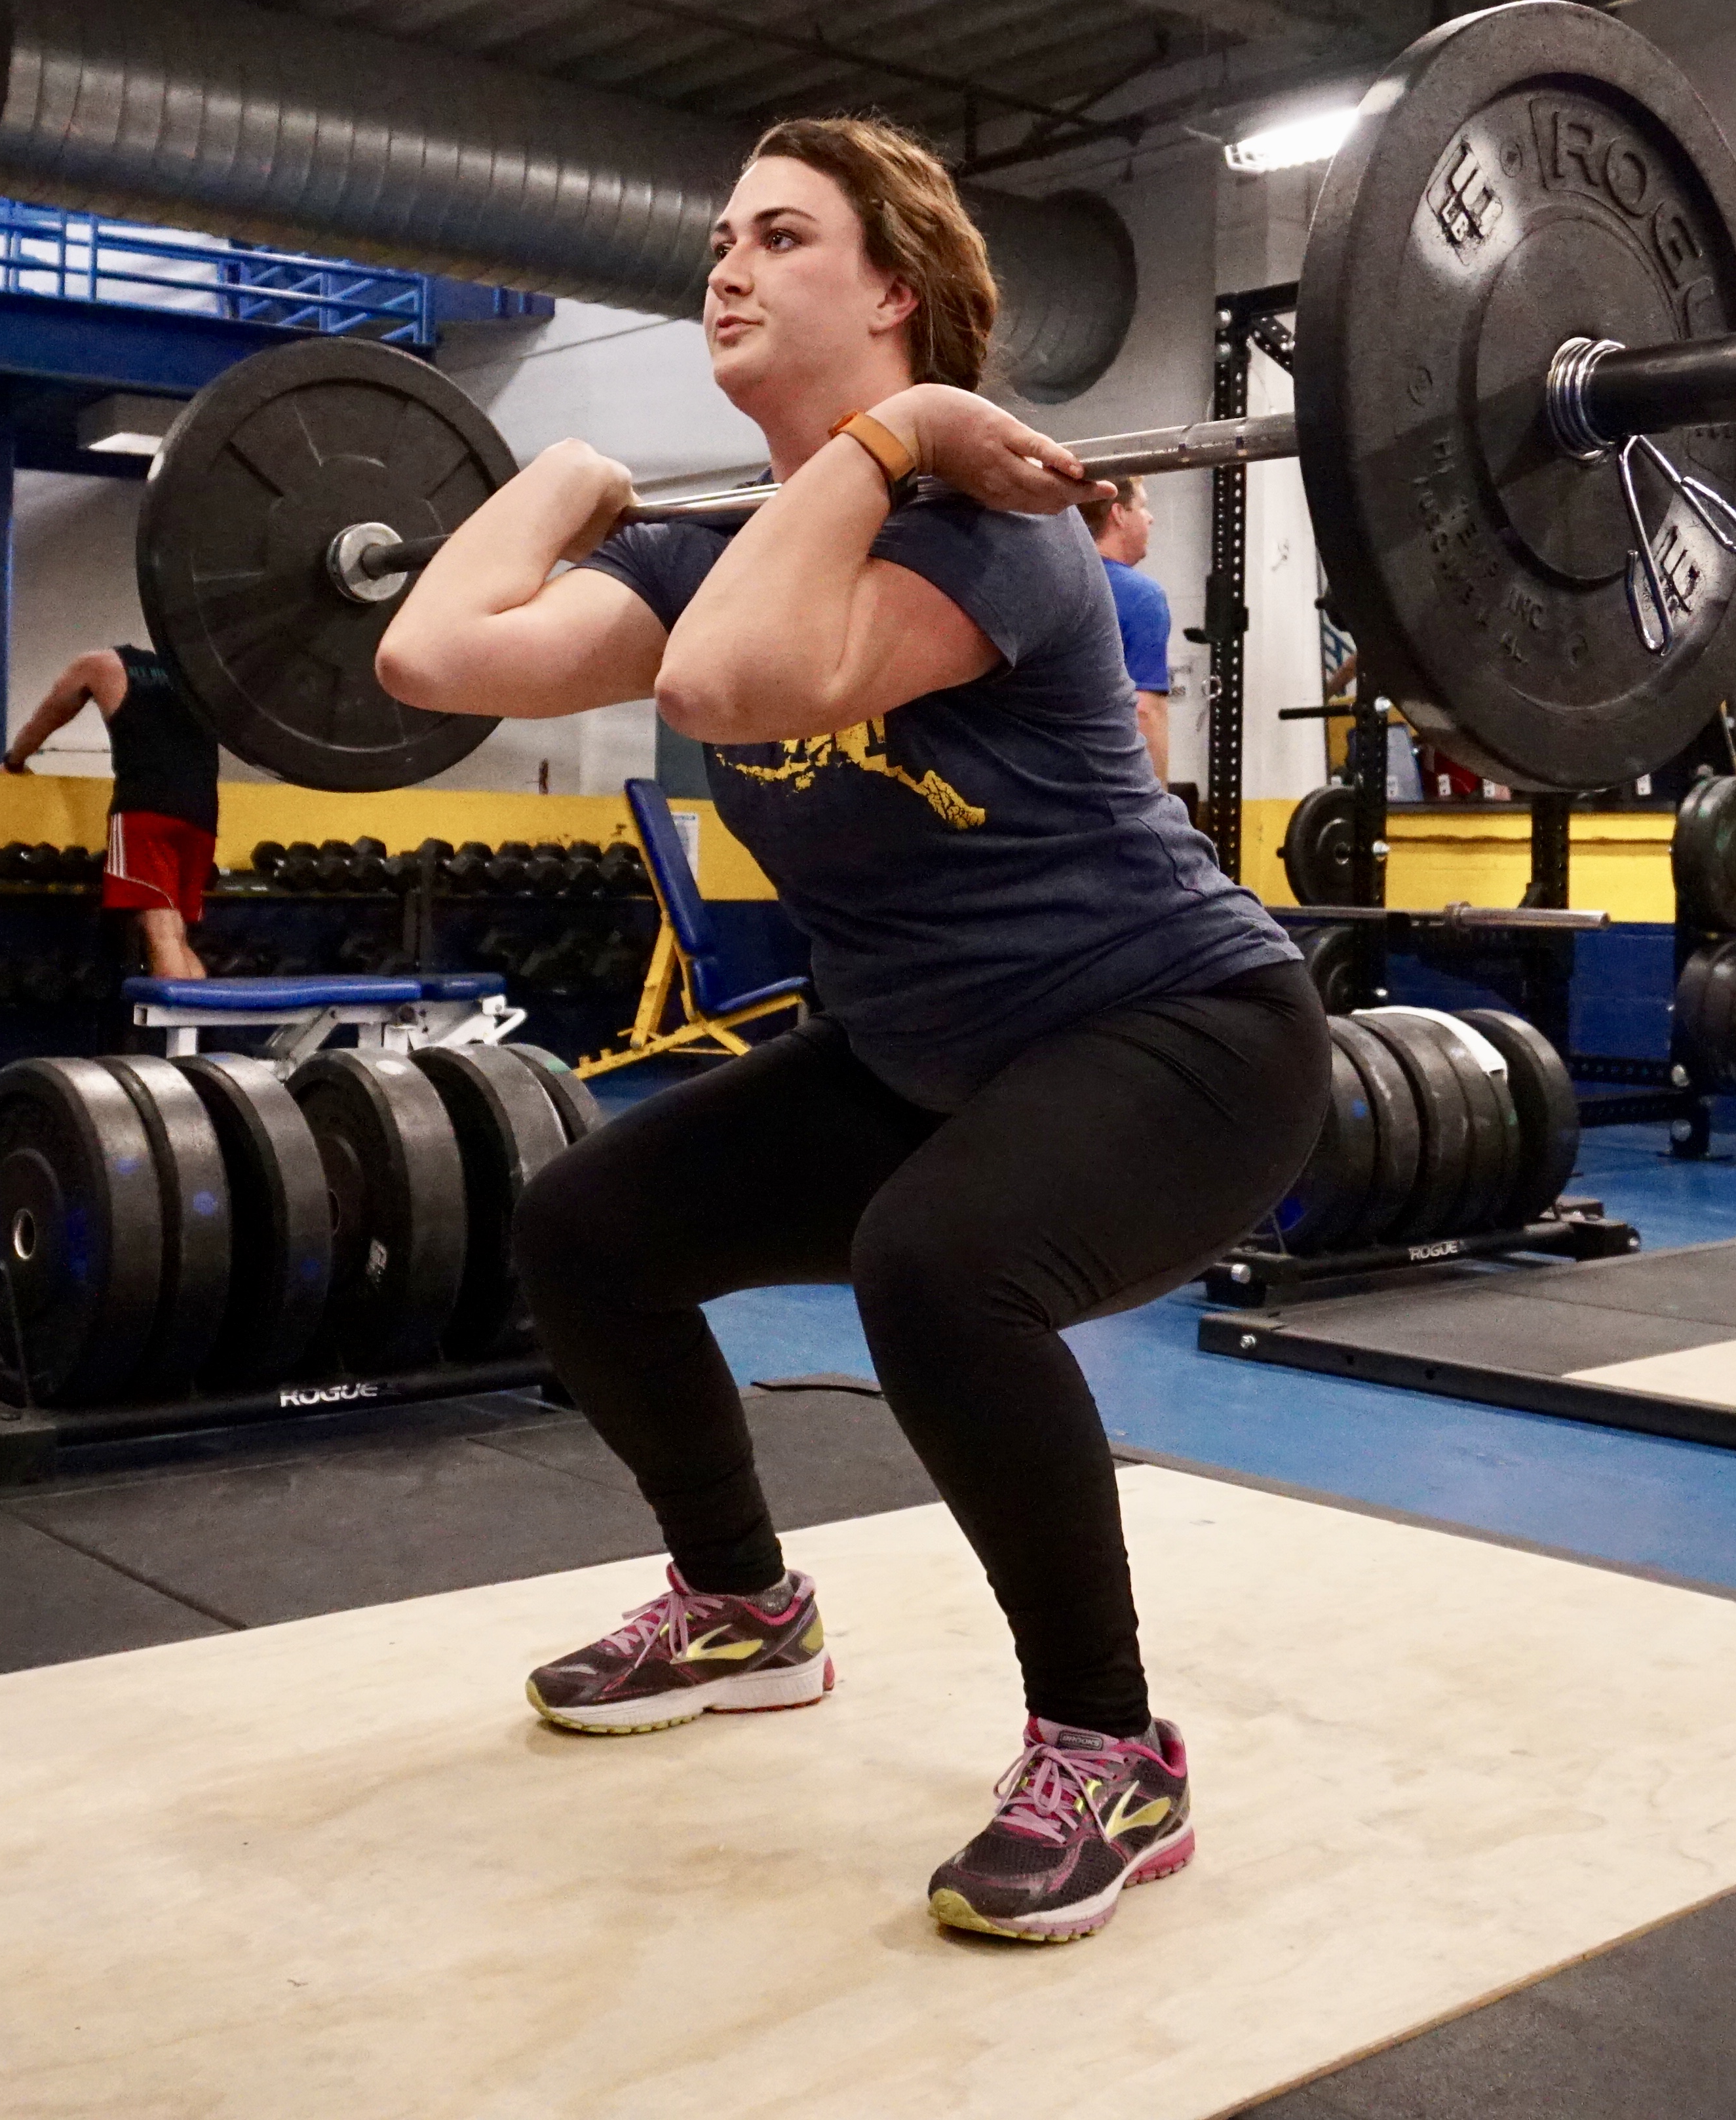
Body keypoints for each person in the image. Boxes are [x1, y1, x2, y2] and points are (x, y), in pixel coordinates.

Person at [376, 113, 1322, 1946]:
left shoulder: (1001, 532)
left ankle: (1111, 1750)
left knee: (940, 1268)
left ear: (893, 289)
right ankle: (741, 1609)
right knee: (588, 1228)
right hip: (927, 1053)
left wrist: (898, 443)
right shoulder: (714, 553)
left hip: (1185, 1033)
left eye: (780, 236)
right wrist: (561, 475)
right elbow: (429, 661)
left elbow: (737, 685)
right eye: (720, 236)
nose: (724, 267)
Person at [1, 641, 220, 980]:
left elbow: (49, 715)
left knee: (160, 935)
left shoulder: (99, 664)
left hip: (146, 809)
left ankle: (173, 1031)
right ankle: (193, 1032)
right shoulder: (194, 676)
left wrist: (13, 761)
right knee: (176, 935)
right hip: (202, 814)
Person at [1090, 477, 1172, 781]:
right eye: (1142, 506)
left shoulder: (1047, 584)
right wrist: (1159, 810)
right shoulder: (1142, 597)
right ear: (1118, 514)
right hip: (1107, 789)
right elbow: (1145, 711)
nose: (1150, 517)